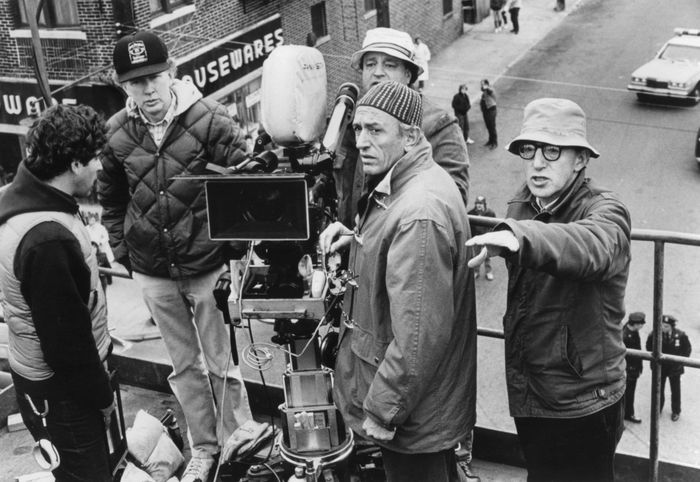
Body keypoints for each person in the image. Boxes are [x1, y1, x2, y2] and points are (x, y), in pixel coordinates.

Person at [98, 30, 252, 482]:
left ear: (172, 73)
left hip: (207, 267)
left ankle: (241, 444)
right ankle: (204, 448)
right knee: (184, 366)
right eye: (134, 82)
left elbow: (248, 186)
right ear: (121, 84)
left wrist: (231, 254)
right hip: (153, 271)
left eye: (153, 77)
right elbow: (110, 202)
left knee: (223, 365)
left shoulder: (211, 119)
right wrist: (125, 254)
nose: (147, 90)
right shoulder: (116, 134)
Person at [466, 98, 631, 482]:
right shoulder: (522, 203)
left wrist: (519, 236)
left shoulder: (605, 210)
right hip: (533, 393)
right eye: (530, 149)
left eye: (553, 150)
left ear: (580, 160)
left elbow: (593, 247)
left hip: (583, 402)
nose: (537, 162)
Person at [320, 81, 477, 482]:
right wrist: (358, 240)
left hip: (411, 410)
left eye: (376, 130)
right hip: (421, 404)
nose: (363, 141)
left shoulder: (418, 213)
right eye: (358, 130)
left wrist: (382, 409)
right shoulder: (410, 182)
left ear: (409, 136)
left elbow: (418, 333)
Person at [0, 104, 113, 481]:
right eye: (95, 157)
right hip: (66, 398)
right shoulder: (47, 238)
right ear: (75, 164)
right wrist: (103, 397)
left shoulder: (30, 204)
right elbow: (67, 346)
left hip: (44, 388)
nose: (100, 166)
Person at [335, 27, 470, 228]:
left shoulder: (439, 123)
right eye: (370, 64)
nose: (378, 72)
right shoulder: (354, 119)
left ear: (408, 75)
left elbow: (453, 198)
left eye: (390, 65)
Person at [645, 315, 692, 422]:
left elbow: (687, 350)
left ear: (671, 326)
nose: (663, 328)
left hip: (674, 368)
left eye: (666, 326)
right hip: (660, 367)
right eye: (662, 325)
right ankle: (658, 409)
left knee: (675, 390)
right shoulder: (655, 334)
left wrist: (680, 363)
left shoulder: (680, 335)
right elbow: (649, 347)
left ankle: (676, 411)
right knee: (658, 389)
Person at [623, 311, 646, 423]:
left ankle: (628, 414)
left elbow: (638, 350)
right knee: (625, 395)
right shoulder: (625, 336)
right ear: (636, 324)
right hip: (628, 370)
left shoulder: (633, 331)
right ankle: (623, 417)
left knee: (630, 394)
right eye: (641, 324)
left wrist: (639, 367)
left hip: (634, 369)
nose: (642, 326)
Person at [468, 196, 496, 280]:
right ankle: (476, 271)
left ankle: (488, 272)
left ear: (484, 204)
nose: (479, 206)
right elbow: (468, 226)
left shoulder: (490, 213)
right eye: (477, 204)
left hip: (486, 239)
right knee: (476, 256)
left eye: (481, 204)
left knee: (487, 256)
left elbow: (494, 225)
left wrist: (492, 237)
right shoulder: (471, 213)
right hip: (476, 239)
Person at [86, 213, 115, 291]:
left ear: (95, 220)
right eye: (89, 220)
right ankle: (96, 276)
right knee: (94, 261)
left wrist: (101, 242)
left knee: (105, 262)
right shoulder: (86, 228)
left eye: (92, 220)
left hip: (101, 246)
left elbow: (106, 237)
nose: (90, 221)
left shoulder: (101, 227)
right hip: (92, 247)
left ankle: (109, 278)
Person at [480, 79, 498, 149]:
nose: (482, 86)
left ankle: (495, 142)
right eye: (481, 84)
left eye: (483, 84)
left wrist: (486, 88)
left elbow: (491, 92)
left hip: (491, 110)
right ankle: (490, 140)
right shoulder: (484, 90)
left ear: (487, 84)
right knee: (488, 126)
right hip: (486, 110)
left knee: (492, 127)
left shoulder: (490, 89)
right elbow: (482, 90)